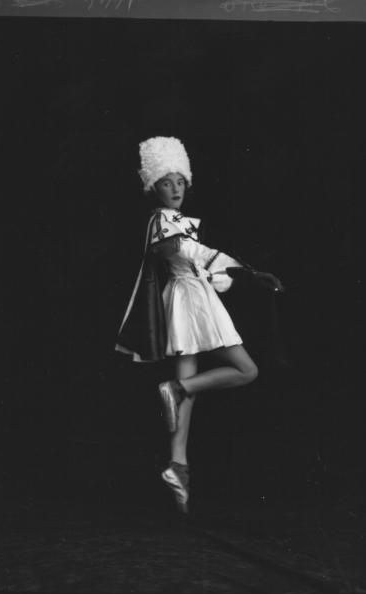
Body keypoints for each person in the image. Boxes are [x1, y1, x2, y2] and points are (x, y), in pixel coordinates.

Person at [116, 136, 283, 514]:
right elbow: (180, 251)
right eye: (165, 182)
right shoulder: (161, 220)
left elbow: (202, 252)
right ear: (153, 186)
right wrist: (221, 265)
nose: (174, 189)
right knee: (245, 370)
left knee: (185, 397)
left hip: (194, 297)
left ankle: (178, 465)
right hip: (188, 300)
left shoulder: (178, 223)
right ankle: (178, 397)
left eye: (179, 181)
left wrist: (250, 274)